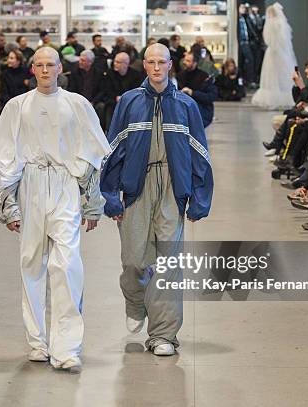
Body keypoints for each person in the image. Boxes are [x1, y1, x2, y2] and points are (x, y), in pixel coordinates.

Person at [0, 46, 110, 373]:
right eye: (39, 65)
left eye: (50, 65)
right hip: (30, 185)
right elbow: (6, 160)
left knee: (67, 263)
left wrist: (92, 201)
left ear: (60, 68)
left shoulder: (77, 104)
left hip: (65, 185)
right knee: (31, 263)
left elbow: (93, 155)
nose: (45, 70)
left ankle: (67, 347)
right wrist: (8, 204)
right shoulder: (17, 106)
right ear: (32, 69)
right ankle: (38, 342)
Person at [100, 43, 213, 356]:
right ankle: (136, 302)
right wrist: (109, 194)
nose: (156, 67)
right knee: (134, 261)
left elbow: (200, 152)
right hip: (136, 186)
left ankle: (163, 334)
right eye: (150, 62)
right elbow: (113, 148)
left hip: (173, 189)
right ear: (144, 65)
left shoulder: (187, 105)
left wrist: (200, 197)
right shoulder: (130, 103)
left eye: (162, 62)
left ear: (170, 64)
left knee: (169, 261)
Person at [251, 3, 297, 110]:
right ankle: (282, 97)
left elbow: (268, 39)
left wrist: (273, 45)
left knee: (273, 75)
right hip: (280, 52)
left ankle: (274, 98)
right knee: (280, 75)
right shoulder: (282, 23)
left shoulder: (271, 23)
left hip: (274, 52)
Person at [177, 52, 218, 127]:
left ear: (195, 63)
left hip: (201, 111)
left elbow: (212, 96)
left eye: (188, 61)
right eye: (184, 60)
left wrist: (192, 93)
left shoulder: (204, 77)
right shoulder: (180, 76)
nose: (184, 63)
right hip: (183, 111)